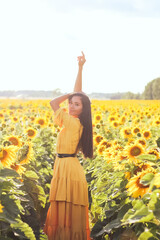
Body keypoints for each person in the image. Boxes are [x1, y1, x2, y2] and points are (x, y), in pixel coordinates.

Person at [43, 51, 93, 240]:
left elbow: (53, 102)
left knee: (65, 210)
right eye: (71, 104)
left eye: (76, 105)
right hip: (67, 166)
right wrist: (80, 68)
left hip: (68, 169)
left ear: (83, 109)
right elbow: (78, 96)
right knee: (67, 211)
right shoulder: (79, 122)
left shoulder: (72, 123)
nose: (71, 106)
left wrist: (71, 94)